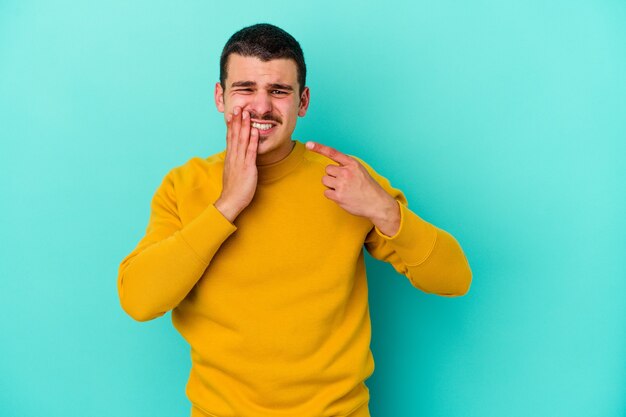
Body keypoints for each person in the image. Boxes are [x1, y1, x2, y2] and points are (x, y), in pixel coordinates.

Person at [117, 23, 472, 417]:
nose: (262, 106)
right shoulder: (184, 186)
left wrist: (384, 209)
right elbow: (139, 299)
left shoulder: (347, 180)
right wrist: (228, 205)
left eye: (279, 91)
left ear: (302, 102)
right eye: (245, 88)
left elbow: (454, 279)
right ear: (220, 97)